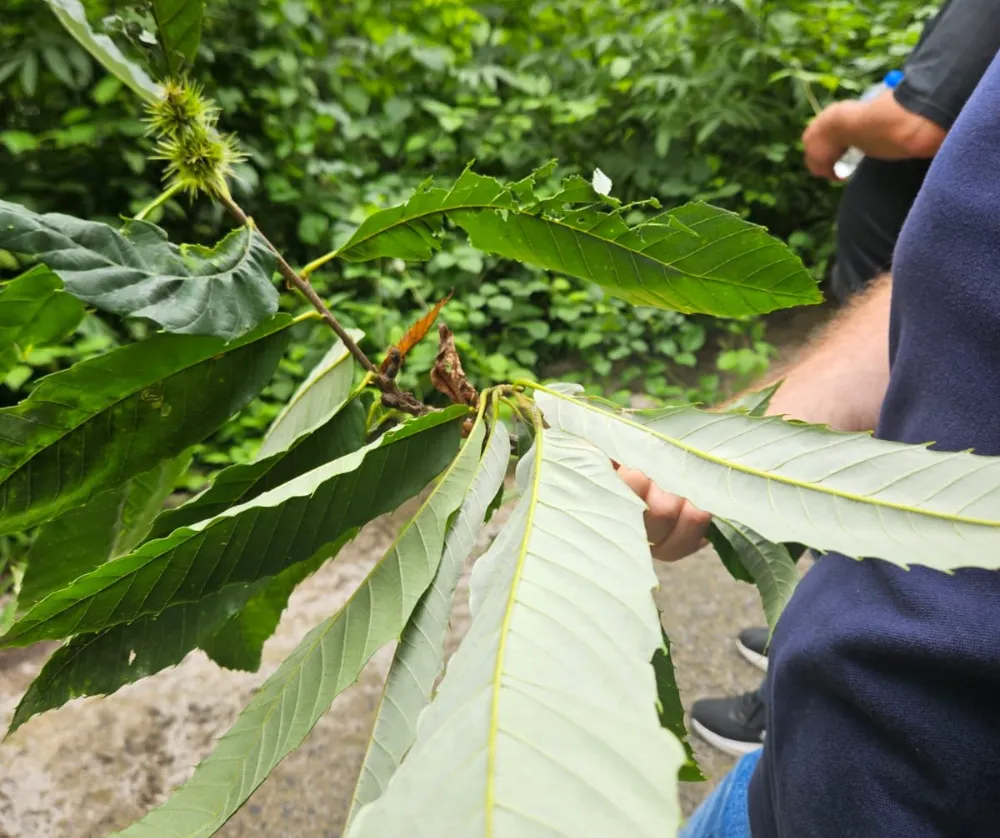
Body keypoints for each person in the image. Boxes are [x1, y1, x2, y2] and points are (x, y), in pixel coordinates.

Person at [686, 0, 1000, 760]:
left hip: (899, 761)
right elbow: (962, 263)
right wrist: (764, 418)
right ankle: (806, 643)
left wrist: (832, 121)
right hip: (895, 335)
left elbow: (912, 123)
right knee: (838, 507)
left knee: (870, 505)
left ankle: (792, 698)